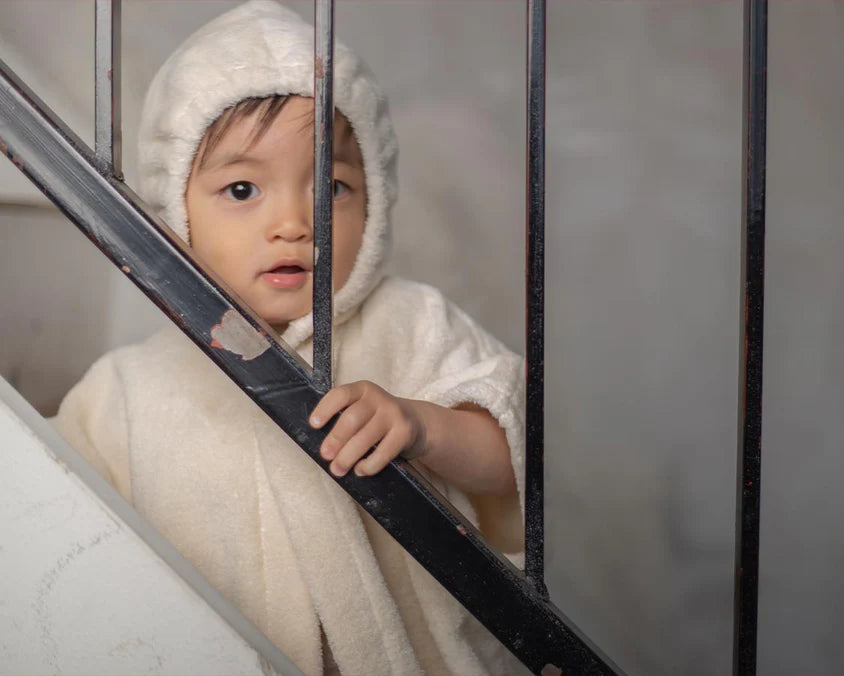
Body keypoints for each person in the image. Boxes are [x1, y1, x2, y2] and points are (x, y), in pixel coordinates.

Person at [53, 1, 527, 675]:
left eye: (332, 185)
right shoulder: (123, 391)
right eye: (243, 188)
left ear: (378, 200)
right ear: (173, 206)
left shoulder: (412, 321)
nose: (295, 222)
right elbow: (66, 539)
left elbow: (514, 455)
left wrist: (425, 428)